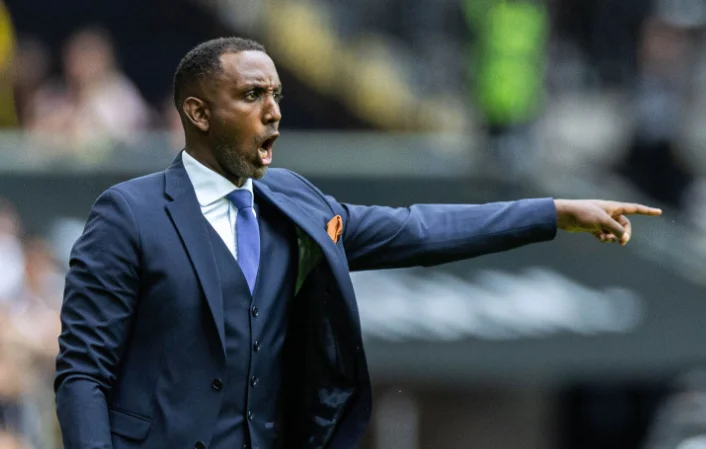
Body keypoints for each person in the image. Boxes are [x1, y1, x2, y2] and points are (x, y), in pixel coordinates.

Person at [54, 37, 662, 449]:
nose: (274, 112)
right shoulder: (128, 214)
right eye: (252, 95)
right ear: (198, 112)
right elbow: (83, 372)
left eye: (276, 96)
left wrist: (552, 213)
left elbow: (418, 230)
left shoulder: (296, 203)